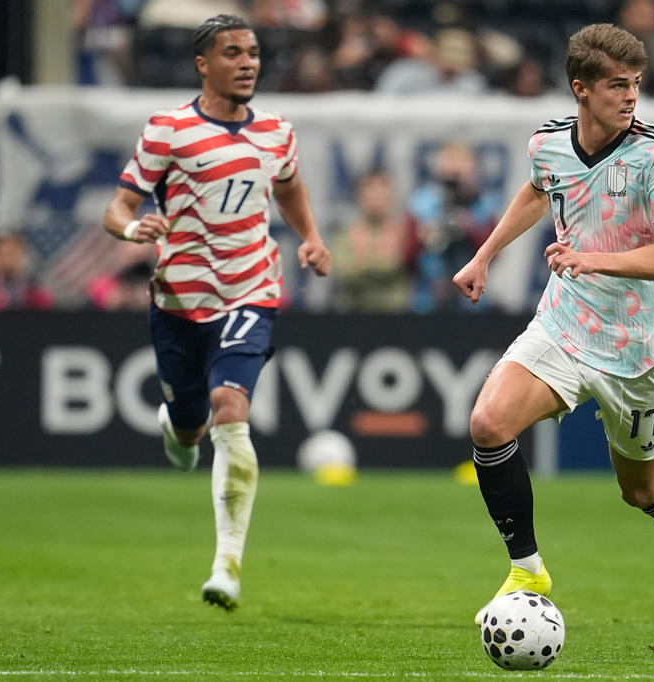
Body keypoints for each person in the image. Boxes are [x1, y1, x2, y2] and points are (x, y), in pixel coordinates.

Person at [452, 23, 654, 624]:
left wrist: (591, 258)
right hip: (564, 324)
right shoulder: (548, 144)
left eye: (636, 83)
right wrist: (485, 254)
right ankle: (527, 566)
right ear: (581, 89)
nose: (631, 96)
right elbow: (539, 190)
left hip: (639, 347)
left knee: (641, 490)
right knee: (488, 422)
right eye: (616, 85)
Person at [102, 14, 331, 611]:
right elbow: (119, 205)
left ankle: (227, 564)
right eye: (233, 52)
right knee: (191, 425)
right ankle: (179, 428)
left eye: (253, 52)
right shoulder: (168, 132)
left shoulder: (277, 131)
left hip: (250, 289)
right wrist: (132, 227)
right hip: (179, 299)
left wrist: (309, 236)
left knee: (233, 410)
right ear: (204, 64)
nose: (248, 62)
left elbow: (287, 185)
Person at [407, 140, 500, 312]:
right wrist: (423, 238)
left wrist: (470, 229)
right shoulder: (421, 203)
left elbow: (495, 253)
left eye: (461, 164)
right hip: (428, 297)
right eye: (449, 163)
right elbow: (406, 257)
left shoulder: (484, 206)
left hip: (472, 299)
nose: (455, 173)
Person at [330, 171, 412, 312]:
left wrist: (362, 259)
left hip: (394, 313)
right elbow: (343, 271)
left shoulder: (403, 232)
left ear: (391, 197)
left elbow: (394, 265)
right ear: (360, 197)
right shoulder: (345, 234)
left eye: (380, 196)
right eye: (370, 195)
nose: (375, 201)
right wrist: (380, 255)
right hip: (353, 312)